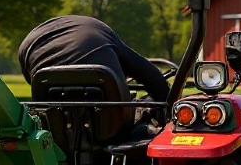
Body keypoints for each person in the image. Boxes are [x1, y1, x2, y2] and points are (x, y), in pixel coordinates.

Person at [18, 15, 169, 102]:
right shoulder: (100, 29)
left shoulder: (26, 45)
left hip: (55, 128)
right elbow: (153, 78)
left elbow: (36, 84)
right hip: (112, 124)